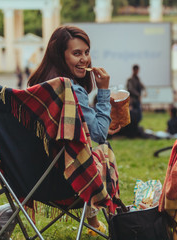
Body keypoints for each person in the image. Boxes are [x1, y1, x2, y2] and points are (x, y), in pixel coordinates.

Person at [27, 25, 120, 236]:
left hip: (31, 177)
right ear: (60, 56)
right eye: (76, 53)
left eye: (86, 52)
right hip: (67, 180)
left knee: (80, 148)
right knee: (104, 151)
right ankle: (107, 219)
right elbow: (98, 134)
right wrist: (103, 90)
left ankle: (93, 222)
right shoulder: (72, 89)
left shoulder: (37, 87)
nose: (85, 60)